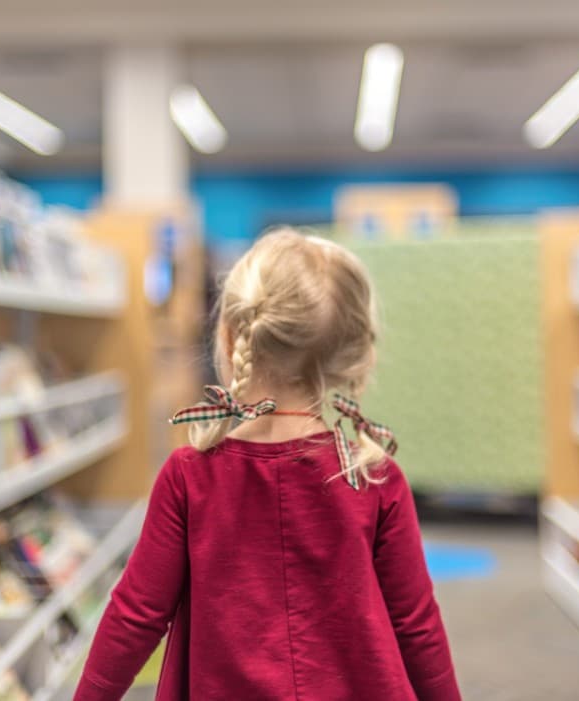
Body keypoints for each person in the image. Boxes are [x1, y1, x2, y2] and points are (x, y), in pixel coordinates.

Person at [75, 229, 461, 700]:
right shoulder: (373, 476)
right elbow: (416, 625)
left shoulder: (189, 477)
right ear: (349, 351)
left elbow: (136, 615)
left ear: (229, 334)